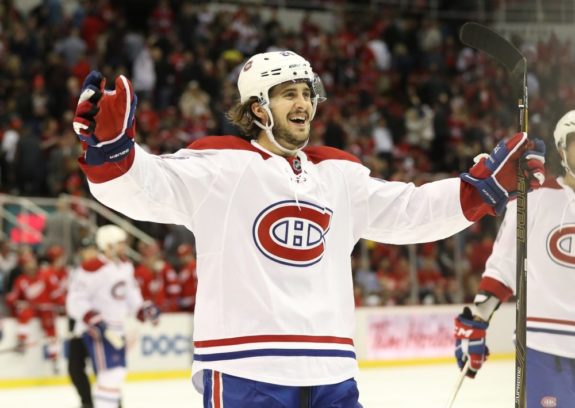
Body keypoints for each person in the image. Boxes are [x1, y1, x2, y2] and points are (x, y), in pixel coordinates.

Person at [72, 50, 545, 407]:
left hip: (332, 369)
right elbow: (144, 187)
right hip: (246, 369)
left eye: (307, 92)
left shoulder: (338, 174)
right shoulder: (219, 165)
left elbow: (410, 211)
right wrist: (111, 155)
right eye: (288, 94)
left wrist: (482, 191)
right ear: (258, 108)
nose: (304, 103)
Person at [453, 110, 575, 406]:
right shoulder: (534, 198)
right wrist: (478, 319)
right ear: (561, 149)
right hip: (545, 348)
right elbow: (503, 268)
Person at [66, 225, 160, 408]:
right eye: (120, 243)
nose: (124, 247)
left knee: (115, 374)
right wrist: (92, 318)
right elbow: (75, 300)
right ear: (108, 245)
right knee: (106, 375)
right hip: (96, 331)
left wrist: (143, 310)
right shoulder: (92, 267)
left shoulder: (125, 266)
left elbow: (132, 296)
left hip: (116, 330)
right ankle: (90, 403)